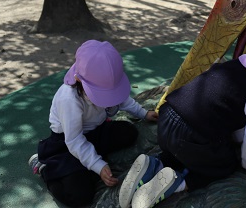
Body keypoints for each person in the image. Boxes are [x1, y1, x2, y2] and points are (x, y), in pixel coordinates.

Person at [118, 36, 246, 208]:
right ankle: (179, 183)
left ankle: (154, 164)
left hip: (167, 121)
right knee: (223, 164)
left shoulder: (233, 64)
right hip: (191, 136)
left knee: (182, 151)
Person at [28, 40, 159, 207]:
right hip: (66, 145)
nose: (108, 100)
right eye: (102, 95)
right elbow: (74, 140)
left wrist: (144, 113)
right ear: (78, 80)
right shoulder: (69, 100)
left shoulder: (105, 84)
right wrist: (98, 165)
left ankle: (91, 160)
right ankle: (44, 168)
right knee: (80, 196)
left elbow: (122, 99)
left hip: (95, 131)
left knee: (128, 133)